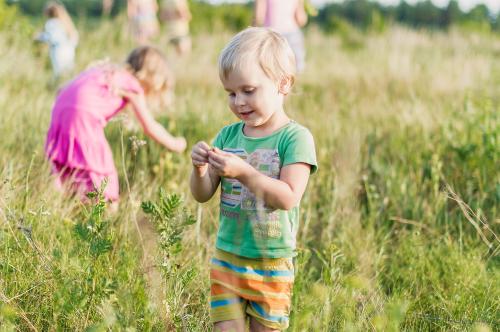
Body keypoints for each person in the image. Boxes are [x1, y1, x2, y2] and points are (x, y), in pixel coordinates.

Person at [190, 27, 317, 331]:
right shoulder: (228, 135)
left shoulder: (295, 138)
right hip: (227, 256)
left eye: (248, 90)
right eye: (231, 93)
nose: (239, 102)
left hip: (270, 262)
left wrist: (244, 172)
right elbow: (203, 194)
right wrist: (199, 170)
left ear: (283, 84)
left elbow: (288, 196)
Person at [45, 46, 186, 202]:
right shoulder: (132, 86)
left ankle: (52, 203)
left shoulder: (108, 72)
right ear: (152, 76)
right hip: (84, 117)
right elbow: (149, 126)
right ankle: (108, 217)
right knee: (106, 178)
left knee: (64, 166)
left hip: (60, 109)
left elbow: (63, 89)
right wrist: (175, 143)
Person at [254, 0, 308, 72]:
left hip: (271, 34)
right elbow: (301, 19)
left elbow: (259, 17)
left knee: (270, 68)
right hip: (292, 33)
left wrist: (253, 31)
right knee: (295, 67)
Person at [36, 2, 79, 80]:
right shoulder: (66, 22)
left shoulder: (51, 23)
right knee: (69, 73)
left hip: (58, 51)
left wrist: (39, 36)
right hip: (69, 51)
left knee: (59, 73)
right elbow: (74, 38)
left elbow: (51, 37)